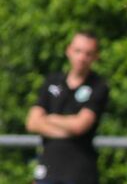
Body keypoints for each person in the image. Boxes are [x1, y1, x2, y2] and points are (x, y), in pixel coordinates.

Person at [26, 31, 109, 184]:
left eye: (88, 53)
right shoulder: (52, 81)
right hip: (48, 169)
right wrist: (66, 128)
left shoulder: (98, 86)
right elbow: (32, 122)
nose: (82, 58)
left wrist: (50, 119)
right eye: (78, 51)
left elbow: (80, 125)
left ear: (95, 56)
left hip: (80, 172)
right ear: (68, 50)